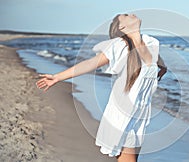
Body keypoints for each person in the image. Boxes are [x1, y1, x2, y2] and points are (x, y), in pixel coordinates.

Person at [36, 13, 167, 162]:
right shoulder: (119, 46)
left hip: (141, 113)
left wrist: (163, 66)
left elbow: (152, 57)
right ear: (122, 27)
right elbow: (90, 64)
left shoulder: (151, 42)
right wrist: (58, 77)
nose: (131, 14)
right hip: (122, 115)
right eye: (125, 15)